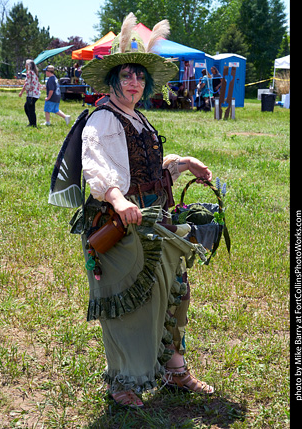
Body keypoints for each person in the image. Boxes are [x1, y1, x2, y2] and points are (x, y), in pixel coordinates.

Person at [73, 13, 214, 408]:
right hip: (120, 223)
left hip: (155, 219)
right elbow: (97, 163)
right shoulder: (102, 118)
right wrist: (118, 199)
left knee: (173, 292)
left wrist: (183, 162)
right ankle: (122, 382)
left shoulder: (137, 117)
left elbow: (148, 169)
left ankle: (174, 369)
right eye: (127, 75)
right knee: (127, 303)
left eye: (140, 77)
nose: (134, 82)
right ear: (114, 79)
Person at [19, 59, 41, 127]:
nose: (25, 66)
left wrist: (24, 90)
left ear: (28, 66)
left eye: (26, 64)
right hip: (35, 94)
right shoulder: (34, 72)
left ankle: (33, 124)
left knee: (30, 109)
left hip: (31, 94)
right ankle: (31, 123)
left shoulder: (29, 73)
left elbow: (27, 84)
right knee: (27, 107)